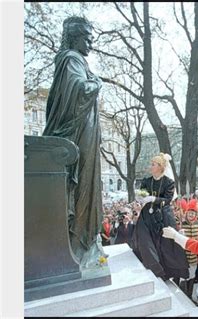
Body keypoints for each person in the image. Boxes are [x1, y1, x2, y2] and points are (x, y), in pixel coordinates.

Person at [42, 16, 104, 266]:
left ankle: (85, 241)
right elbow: (80, 89)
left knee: (87, 184)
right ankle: (80, 241)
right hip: (80, 132)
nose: (90, 44)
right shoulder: (71, 59)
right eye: (87, 38)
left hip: (85, 129)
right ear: (74, 37)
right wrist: (96, 83)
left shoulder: (73, 60)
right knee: (83, 185)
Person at [131, 153, 189, 280]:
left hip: (163, 214)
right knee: (144, 238)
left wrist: (155, 199)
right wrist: (141, 198)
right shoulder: (146, 180)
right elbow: (143, 194)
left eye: (153, 164)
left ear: (161, 166)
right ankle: (152, 266)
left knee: (165, 243)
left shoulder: (169, 182)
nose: (150, 166)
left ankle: (165, 271)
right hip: (147, 214)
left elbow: (167, 199)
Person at [179, 199, 198, 298]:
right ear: (186, 213)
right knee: (183, 277)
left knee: (192, 276)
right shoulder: (182, 225)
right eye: (189, 213)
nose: (191, 215)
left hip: (193, 257)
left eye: (193, 213)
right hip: (183, 257)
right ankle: (183, 295)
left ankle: (189, 295)